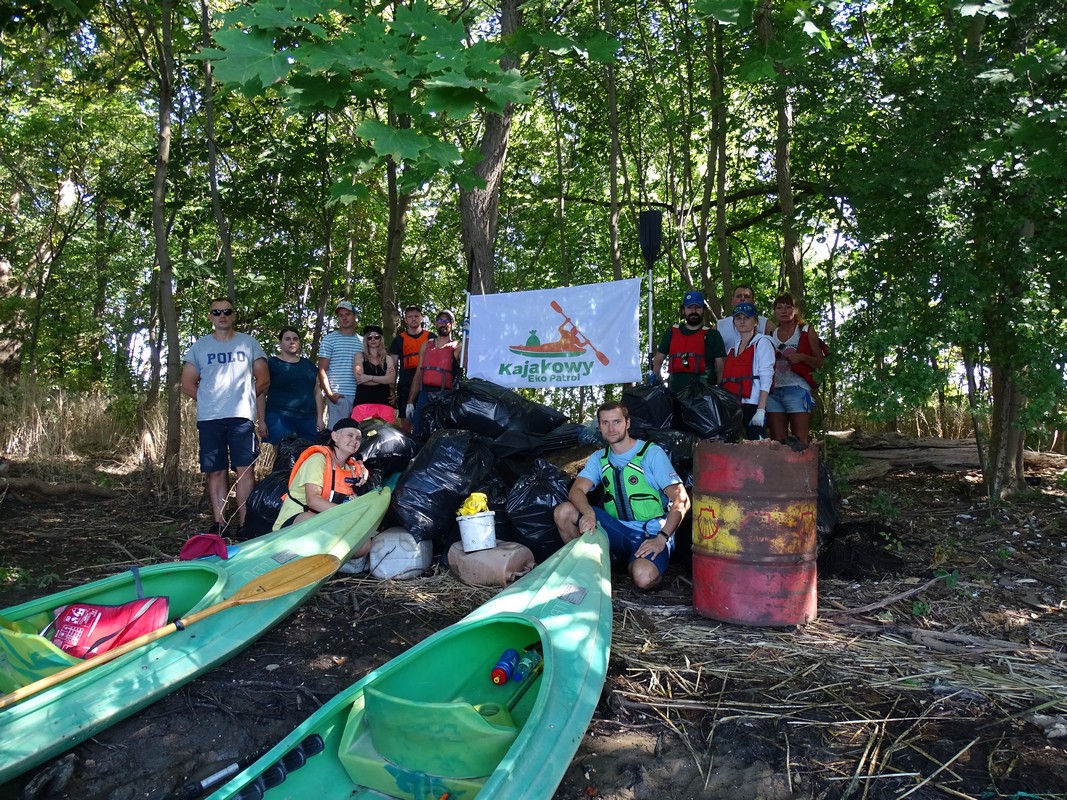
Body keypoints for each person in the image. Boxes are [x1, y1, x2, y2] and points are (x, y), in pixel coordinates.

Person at [553, 402, 689, 591]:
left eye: (616, 421)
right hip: (616, 530)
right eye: (605, 423)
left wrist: (662, 537)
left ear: (627, 423)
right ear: (599, 427)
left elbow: (682, 500)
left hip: (650, 533)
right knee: (563, 512)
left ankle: (634, 564)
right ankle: (591, 570)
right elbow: (576, 490)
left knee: (643, 577)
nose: (611, 428)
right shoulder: (599, 458)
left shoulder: (651, 454)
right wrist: (588, 513)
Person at [181, 298, 270, 534]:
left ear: (233, 315)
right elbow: (187, 384)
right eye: (216, 312)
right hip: (210, 419)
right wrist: (211, 401)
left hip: (241, 418)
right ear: (210, 316)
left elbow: (263, 379)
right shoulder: (200, 347)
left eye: (227, 311)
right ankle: (219, 524)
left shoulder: (248, 343)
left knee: (245, 470)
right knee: (216, 470)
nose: (222, 315)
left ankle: (245, 523)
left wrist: (245, 400)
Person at [272, 418, 371, 533]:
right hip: (296, 520)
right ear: (335, 437)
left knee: (365, 543)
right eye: (350, 435)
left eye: (358, 438)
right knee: (321, 525)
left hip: (329, 518)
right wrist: (346, 512)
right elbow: (312, 500)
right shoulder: (317, 460)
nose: (354, 440)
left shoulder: (351, 468)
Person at [767, 292, 824, 444]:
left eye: (788, 307)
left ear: (796, 310)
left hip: (797, 389)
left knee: (800, 441)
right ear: (774, 311)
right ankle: (781, 468)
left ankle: (804, 467)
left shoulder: (805, 331)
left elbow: (821, 362)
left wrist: (802, 357)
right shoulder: (771, 334)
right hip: (774, 391)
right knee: (777, 442)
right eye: (779, 307)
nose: (784, 311)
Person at [256, 327, 324, 446]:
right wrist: (261, 421)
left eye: (295, 339)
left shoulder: (309, 365)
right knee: (282, 456)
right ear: (280, 343)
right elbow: (261, 393)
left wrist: (319, 419)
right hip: (279, 419)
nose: (292, 342)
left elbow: (317, 392)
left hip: (307, 420)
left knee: (308, 456)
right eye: (287, 339)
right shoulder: (271, 363)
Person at [720, 301, 776, 440]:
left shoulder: (762, 342)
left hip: (754, 405)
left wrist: (761, 410)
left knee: (756, 450)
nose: (742, 321)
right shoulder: (733, 348)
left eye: (747, 318)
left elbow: (766, 376)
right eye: (738, 318)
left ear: (755, 321)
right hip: (735, 406)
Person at [650, 290, 726, 390]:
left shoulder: (713, 335)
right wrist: (659, 386)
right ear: (683, 310)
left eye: (698, 307)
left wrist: (720, 394)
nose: (693, 311)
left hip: (704, 397)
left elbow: (721, 368)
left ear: (703, 309)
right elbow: (657, 361)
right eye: (689, 307)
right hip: (674, 396)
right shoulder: (671, 332)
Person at [405, 309, 461, 437]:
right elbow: (418, 374)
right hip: (424, 395)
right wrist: (410, 401)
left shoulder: (457, 346)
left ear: (453, 325)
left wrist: (468, 336)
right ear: (436, 323)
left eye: (448, 321)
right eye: (441, 320)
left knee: (440, 434)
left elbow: (468, 363)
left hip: (444, 397)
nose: (444, 323)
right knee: (418, 432)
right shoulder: (426, 345)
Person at [318, 300, 363, 427]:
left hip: (360, 396)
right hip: (339, 395)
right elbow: (322, 370)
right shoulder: (329, 339)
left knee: (358, 433)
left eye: (347, 314)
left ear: (354, 316)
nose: (344, 317)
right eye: (341, 315)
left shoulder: (363, 341)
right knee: (337, 433)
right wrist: (330, 394)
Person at [388, 305, 430, 432]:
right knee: (405, 420)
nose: (414, 319)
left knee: (426, 419)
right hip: (406, 381)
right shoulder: (399, 340)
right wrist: (392, 389)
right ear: (405, 320)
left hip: (426, 381)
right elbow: (393, 366)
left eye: (416, 316)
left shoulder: (431, 337)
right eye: (410, 317)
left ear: (422, 318)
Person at [351, 325, 397, 423]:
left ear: (381, 339)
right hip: (363, 403)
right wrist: (384, 379)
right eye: (369, 337)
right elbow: (359, 379)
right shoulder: (359, 356)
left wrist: (368, 377)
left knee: (386, 436)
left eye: (376, 337)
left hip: (384, 403)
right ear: (366, 340)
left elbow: (391, 379)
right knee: (361, 435)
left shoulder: (388, 358)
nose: (373, 339)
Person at [716, 284, 772, 354]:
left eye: (747, 296)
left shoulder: (766, 324)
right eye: (738, 296)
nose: (742, 299)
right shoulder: (719, 325)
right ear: (732, 301)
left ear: (753, 302)